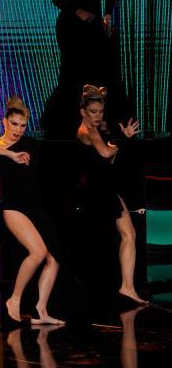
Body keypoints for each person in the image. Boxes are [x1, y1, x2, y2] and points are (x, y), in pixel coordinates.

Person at [0, 96, 64, 324]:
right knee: (37, 252)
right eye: (14, 124)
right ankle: (14, 300)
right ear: (4, 121)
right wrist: (11, 154)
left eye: (23, 125)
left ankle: (41, 310)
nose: (18, 130)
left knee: (53, 258)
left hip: (36, 207)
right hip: (13, 207)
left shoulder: (30, 144)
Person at [43, 0, 126, 138]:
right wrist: (77, 11)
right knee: (73, 72)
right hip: (71, 25)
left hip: (95, 26)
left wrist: (107, 15)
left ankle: (99, 122)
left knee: (99, 71)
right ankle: (68, 122)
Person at [76, 85, 146, 304]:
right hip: (98, 190)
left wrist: (120, 140)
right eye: (93, 111)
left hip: (105, 187)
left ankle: (126, 286)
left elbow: (108, 159)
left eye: (100, 112)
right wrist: (120, 142)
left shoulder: (95, 130)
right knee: (123, 235)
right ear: (83, 111)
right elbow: (107, 152)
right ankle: (121, 287)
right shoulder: (88, 131)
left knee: (128, 234)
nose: (98, 116)